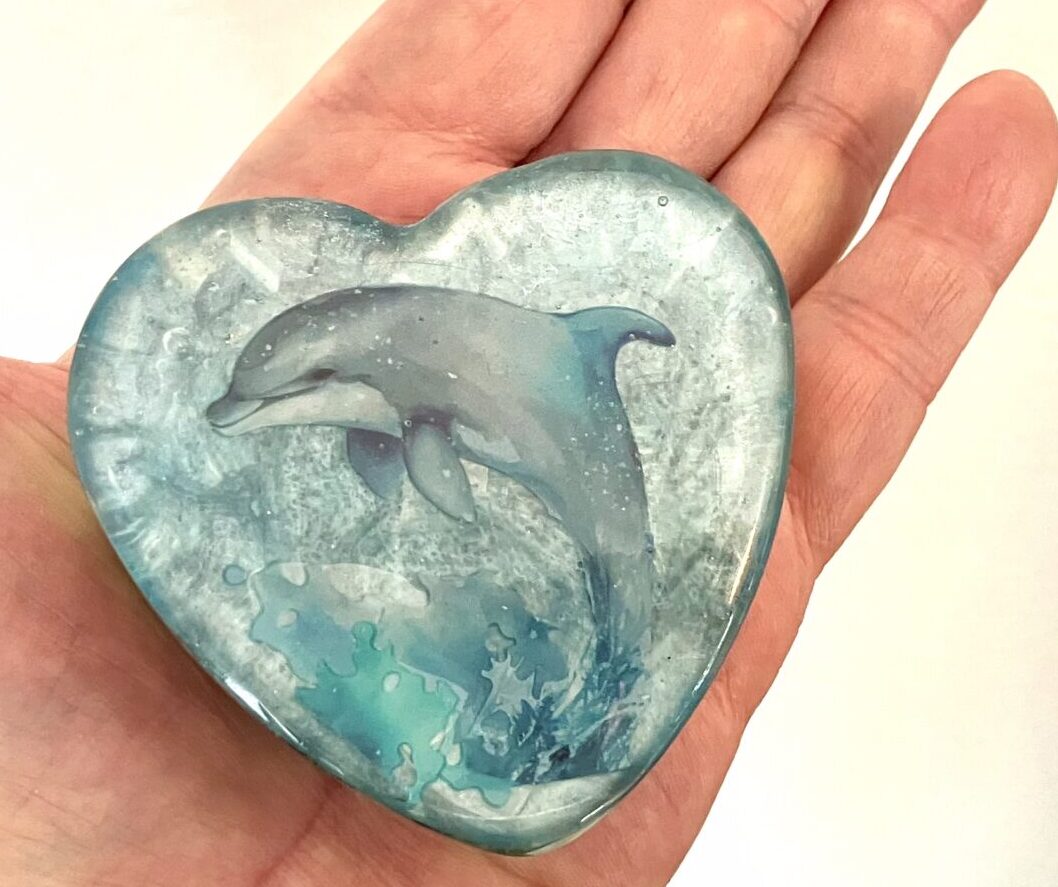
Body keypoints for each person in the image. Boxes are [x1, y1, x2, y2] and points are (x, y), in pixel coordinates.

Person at [1, 1, 1055, 883]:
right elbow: (382, 436)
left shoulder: (412, 398)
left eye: (297, 391)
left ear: (351, 380)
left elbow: (430, 458)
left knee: (602, 583)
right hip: (457, 400)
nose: (251, 410)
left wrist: (430, 445)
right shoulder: (372, 386)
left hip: (561, 426)